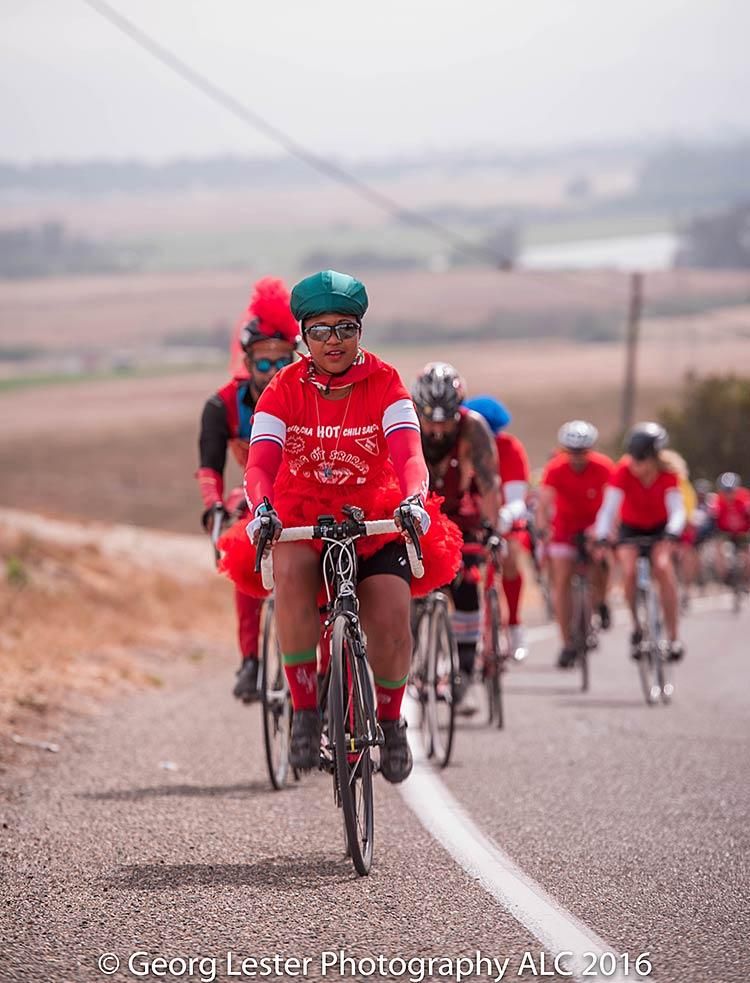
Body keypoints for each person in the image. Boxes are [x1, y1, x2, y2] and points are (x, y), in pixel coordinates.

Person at [218, 271, 462, 782]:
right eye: (322, 330)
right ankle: (306, 711)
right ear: (304, 336)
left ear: (360, 332)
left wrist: (415, 499)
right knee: (289, 576)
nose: (334, 341)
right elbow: (260, 465)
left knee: (393, 620)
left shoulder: (385, 382)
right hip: (303, 512)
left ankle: (392, 723)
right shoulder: (283, 388)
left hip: (375, 515)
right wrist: (262, 508)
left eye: (346, 328)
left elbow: (409, 455)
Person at [197, 277, 299, 702]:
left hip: (304, 487)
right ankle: (251, 660)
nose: (273, 373)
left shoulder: (309, 395)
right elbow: (209, 467)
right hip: (254, 493)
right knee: (244, 558)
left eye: (282, 362)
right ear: (247, 361)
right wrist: (213, 508)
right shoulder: (222, 406)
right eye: (263, 364)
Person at [411, 364, 500, 713]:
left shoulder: (473, 428)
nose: (435, 430)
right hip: (413, 513)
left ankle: (464, 671)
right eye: (429, 420)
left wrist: (492, 530)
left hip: (458, 515)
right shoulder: (406, 424)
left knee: (467, 583)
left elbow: (491, 483)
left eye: (444, 421)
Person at [594, 422, 686, 660]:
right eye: (633, 458)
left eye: (641, 459)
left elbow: (677, 509)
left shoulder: (668, 475)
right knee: (629, 570)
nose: (636, 465)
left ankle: (674, 638)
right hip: (631, 528)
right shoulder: (622, 471)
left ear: (655, 458)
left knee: (663, 568)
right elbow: (608, 509)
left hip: (660, 528)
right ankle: (636, 626)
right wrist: (603, 534)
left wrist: (673, 531)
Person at [536, 421, 614, 668]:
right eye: (572, 452)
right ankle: (568, 642)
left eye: (582, 452)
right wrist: (542, 528)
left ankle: (601, 601)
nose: (577, 458)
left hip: (594, 525)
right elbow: (544, 504)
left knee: (601, 565)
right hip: (565, 529)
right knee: (561, 580)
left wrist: (603, 531)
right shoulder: (555, 468)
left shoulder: (603, 467)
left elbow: (613, 503)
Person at [464, 396, 531, 661]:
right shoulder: (462, 445)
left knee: (511, 556)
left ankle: (514, 624)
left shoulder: (510, 448)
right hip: (471, 516)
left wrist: (502, 518)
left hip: (503, 516)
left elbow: (517, 498)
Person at [713, 472, 750, 584]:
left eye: (731, 491)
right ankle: (725, 576)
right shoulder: (718, 500)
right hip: (726, 533)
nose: (728, 494)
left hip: (743, 533)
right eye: (725, 491)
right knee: (718, 547)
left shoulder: (744, 498)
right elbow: (714, 517)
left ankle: (746, 579)